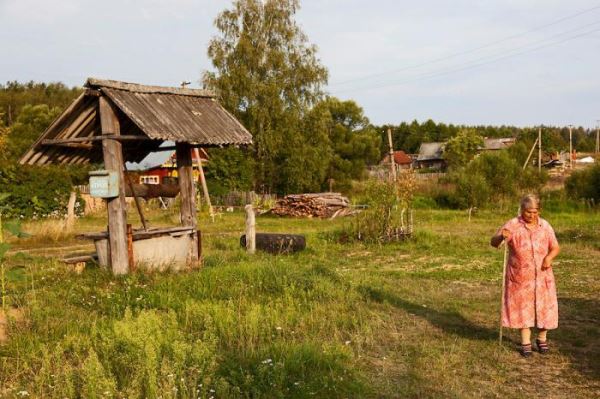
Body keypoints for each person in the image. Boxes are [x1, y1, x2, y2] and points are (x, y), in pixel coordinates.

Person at [490, 194, 560, 357]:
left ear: (539, 211)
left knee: (545, 307)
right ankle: (525, 343)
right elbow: (493, 243)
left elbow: (555, 247)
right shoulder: (513, 224)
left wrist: (549, 258)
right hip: (520, 276)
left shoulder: (545, 226)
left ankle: (542, 339)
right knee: (523, 307)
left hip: (543, 275)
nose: (532, 215)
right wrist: (502, 236)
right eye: (528, 212)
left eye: (535, 212)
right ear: (522, 210)